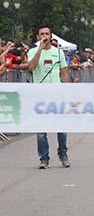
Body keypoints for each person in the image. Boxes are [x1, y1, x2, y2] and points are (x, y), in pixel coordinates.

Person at [26, 25, 71, 169]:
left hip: (57, 94)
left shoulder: (58, 53)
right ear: (38, 36)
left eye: (47, 33)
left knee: (61, 127)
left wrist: (66, 89)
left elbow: (64, 72)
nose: (45, 36)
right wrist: (39, 49)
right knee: (41, 130)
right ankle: (44, 158)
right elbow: (31, 67)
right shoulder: (32, 51)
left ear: (51, 36)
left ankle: (63, 154)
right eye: (42, 34)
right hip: (40, 95)